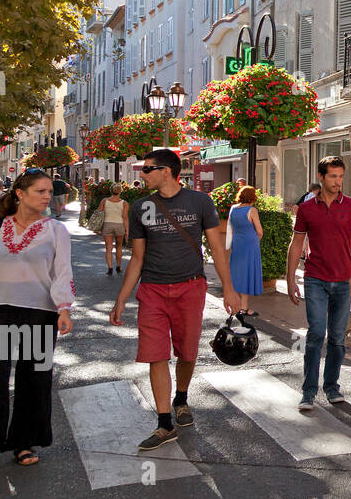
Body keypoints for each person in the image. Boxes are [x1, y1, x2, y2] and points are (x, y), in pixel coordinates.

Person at [110, 149, 238, 452]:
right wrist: (120, 300)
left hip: (190, 287)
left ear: (166, 171)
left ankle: (181, 396)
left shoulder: (200, 201)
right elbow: (137, 258)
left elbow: (217, 249)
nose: (142, 174)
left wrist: (229, 290)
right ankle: (164, 421)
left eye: (147, 169)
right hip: (153, 289)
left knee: (187, 351)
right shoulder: (140, 208)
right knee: (156, 354)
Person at [0, 170, 74, 474]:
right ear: (20, 194)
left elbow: (63, 273)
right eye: (40, 191)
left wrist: (64, 307)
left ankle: (24, 442)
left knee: (33, 379)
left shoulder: (56, 231)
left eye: (50, 191)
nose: (47, 196)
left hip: (40, 311)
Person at [287, 157, 351, 411]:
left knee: (338, 338)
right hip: (315, 279)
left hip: (343, 279)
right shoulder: (308, 209)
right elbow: (296, 243)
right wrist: (290, 278)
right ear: (321, 177)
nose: (338, 182)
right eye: (333, 176)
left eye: (341, 176)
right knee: (316, 333)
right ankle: (308, 392)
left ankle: (331, 387)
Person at [227, 186, 265, 317]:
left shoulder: (233, 209)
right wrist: (255, 240)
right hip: (250, 244)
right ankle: (244, 308)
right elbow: (259, 231)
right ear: (252, 197)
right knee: (248, 274)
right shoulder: (252, 210)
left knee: (237, 273)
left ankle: (236, 307)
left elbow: (231, 228)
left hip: (237, 242)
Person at [98, 183, 130, 275]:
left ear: (111, 191)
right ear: (120, 191)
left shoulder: (105, 200)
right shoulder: (124, 203)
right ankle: (118, 267)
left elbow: (99, 212)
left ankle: (110, 268)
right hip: (119, 225)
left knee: (108, 248)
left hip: (107, 224)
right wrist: (127, 230)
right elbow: (125, 217)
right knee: (119, 246)